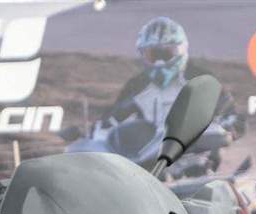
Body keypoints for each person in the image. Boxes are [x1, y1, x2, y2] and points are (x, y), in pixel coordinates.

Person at [99, 16, 243, 140]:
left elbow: (234, 119)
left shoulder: (202, 80)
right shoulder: (136, 85)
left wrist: (225, 128)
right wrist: (98, 134)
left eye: (166, 54)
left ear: (181, 50)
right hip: (147, 157)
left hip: (196, 154)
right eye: (153, 55)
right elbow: (109, 121)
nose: (159, 62)